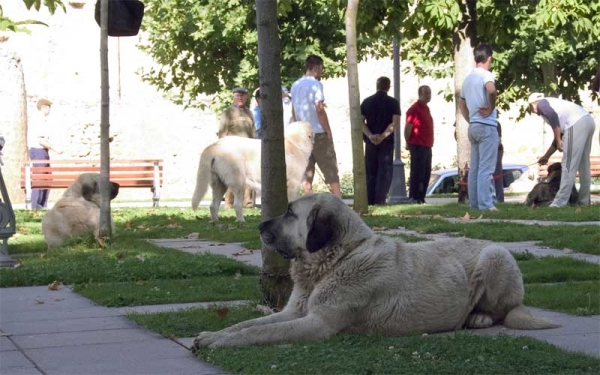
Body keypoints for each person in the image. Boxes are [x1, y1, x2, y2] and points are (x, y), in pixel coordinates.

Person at [528, 93, 595, 207]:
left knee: (568, 165)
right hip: (588, 121)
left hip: (575, 124)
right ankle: (584, 201)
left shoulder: (541, 104)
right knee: (584, 165)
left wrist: (559, 140)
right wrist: (546, 156)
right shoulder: (557, 105)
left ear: (532, 105)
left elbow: (553, 117)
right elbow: (559, 135)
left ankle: (559, 202)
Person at [291, 55, 341, 198]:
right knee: (329, 167)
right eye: (321, 68)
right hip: (317, 131)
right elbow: (319, 108)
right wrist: (328, 130)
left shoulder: (295, 85)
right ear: (317, 67)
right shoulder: (316, 84)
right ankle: (338, 198)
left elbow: (294, 110)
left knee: (307, 169)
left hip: (301, 133)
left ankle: (308, 198)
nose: (322, 71)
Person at [458, 44, 499, 211]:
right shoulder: (486, 75)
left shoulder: (467, 79)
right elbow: (491, 90)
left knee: (474, 168)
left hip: (473, 126)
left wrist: (470, 119)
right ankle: (486, 204)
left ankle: (474, 203)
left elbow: (461, 102)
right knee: (486, 168)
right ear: (489, 58)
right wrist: (491, 107)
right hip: (487, 126)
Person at [360, 77, 401, 205]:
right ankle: (380, 200)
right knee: (384, 171)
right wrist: (382, 136)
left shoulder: (367, 102)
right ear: (388, 87)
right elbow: (395, 123)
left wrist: (371, 136)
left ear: (376, 86)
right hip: (386, 142)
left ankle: (370, 199)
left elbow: (360, 122)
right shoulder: (393, 103)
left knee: (370, 170)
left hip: (370, 142)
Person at [218, 87, 255, 208]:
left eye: (243, 96)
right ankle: (229, 203)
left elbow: (253, 132)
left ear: (246, 97)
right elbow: (222, 133)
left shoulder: (249, 113)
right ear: (233, 96)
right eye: (238, 95)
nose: (240, 98)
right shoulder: (227, 112)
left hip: (248, 152)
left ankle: (248, 203)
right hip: (232, 151)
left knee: (248, 177)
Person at [28, 98, 62, 209]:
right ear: (43, 107)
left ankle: (42, 204)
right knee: (40, 178)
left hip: (41, 151)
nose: (49, 111)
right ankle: (36, 205)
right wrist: (55, 149)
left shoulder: (40, 120)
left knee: (47, 178)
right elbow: (41, 141)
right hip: (39, 151)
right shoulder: (39, 120)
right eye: (48, 108)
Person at [404, 85, 433, 204]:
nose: (428, 95)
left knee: (426, 172)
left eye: (429, 93)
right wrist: (407, 141)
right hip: (417, 144)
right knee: (417, 172)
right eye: (426, 93)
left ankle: (421, 197)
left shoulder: (426, 108)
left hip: (427, 144)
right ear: (420, 94)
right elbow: (408, 127)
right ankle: (414, 197)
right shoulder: (414, 109)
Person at [493, 122, 505, 203]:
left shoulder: (495, 124)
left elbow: (498, 140)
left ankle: (499, 199)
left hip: (496, 150)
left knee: (497, 174)